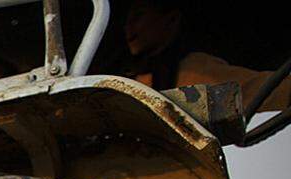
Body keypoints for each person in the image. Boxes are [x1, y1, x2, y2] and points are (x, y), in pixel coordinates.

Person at [124, 0, 291, 112]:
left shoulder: (194, 70)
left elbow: (268, 90)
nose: (128, 26)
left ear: (172, 19)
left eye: (139, 15)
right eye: (127, 20)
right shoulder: (127, 81)